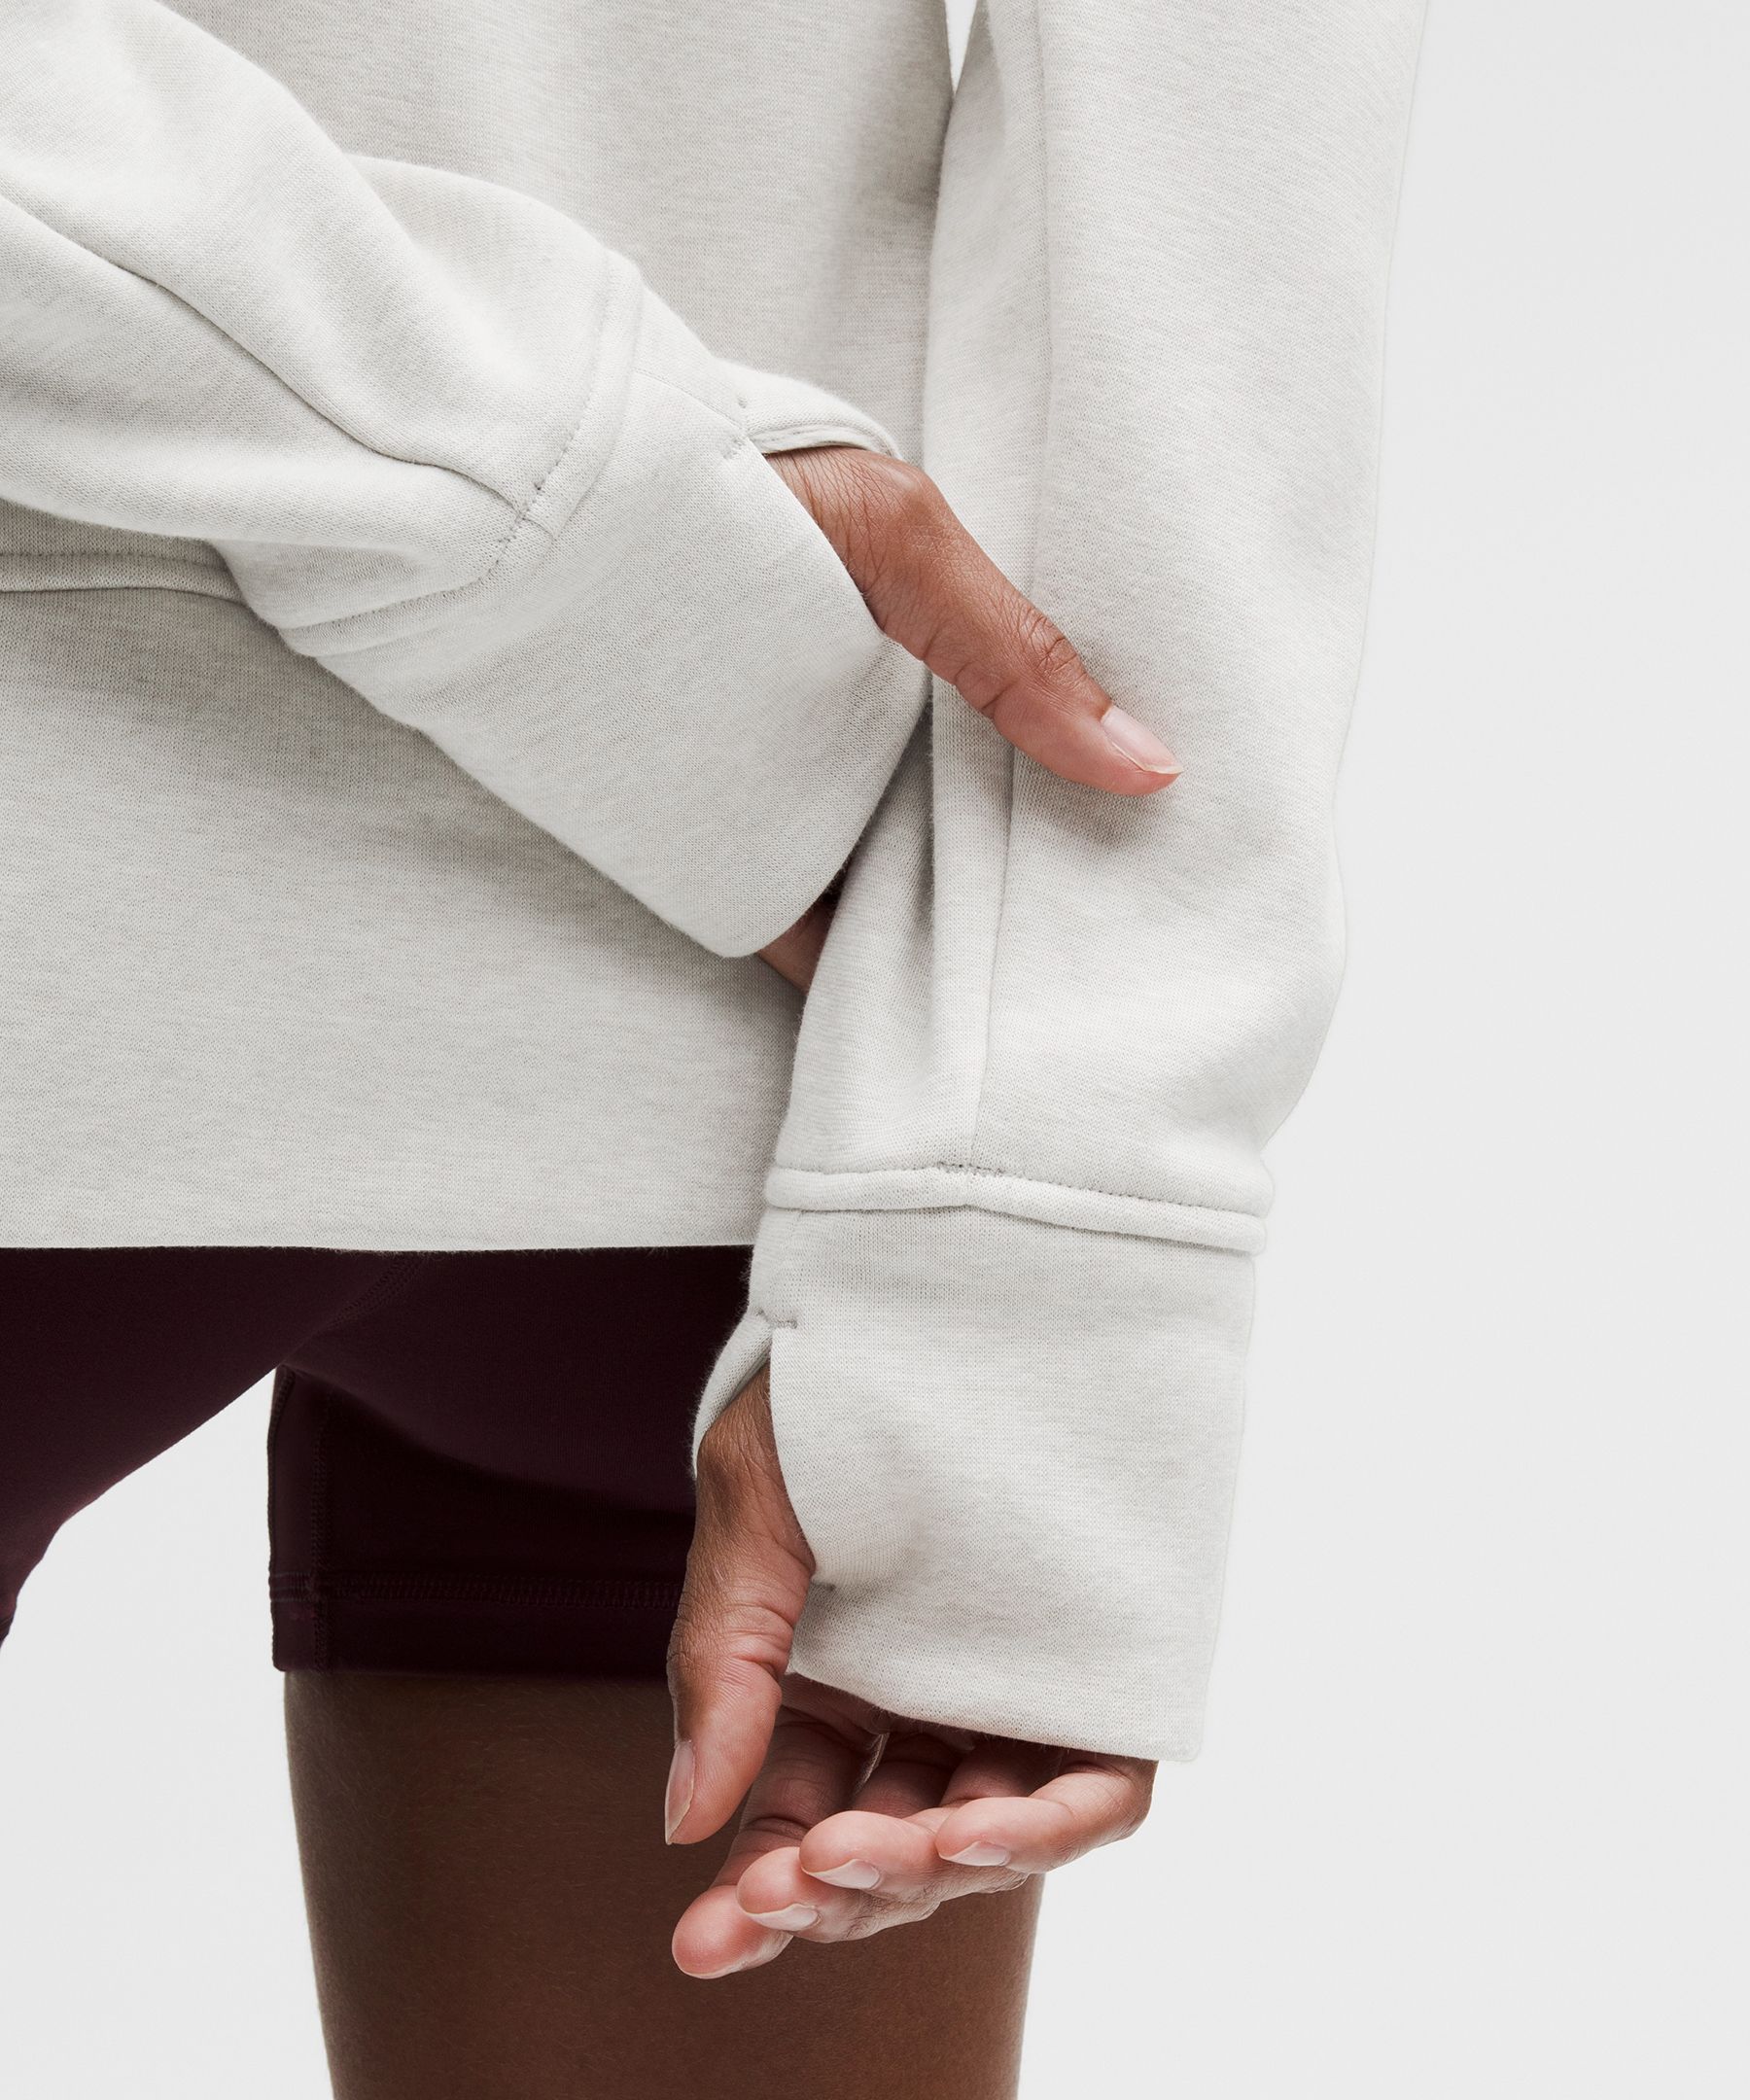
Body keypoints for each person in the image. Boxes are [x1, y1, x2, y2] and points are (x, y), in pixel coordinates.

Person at [0, 1, 1425, 2092]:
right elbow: (1223, 154)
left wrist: (1041, 1183)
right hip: (793, 919)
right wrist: (1041, 1140)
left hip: (772, 885)